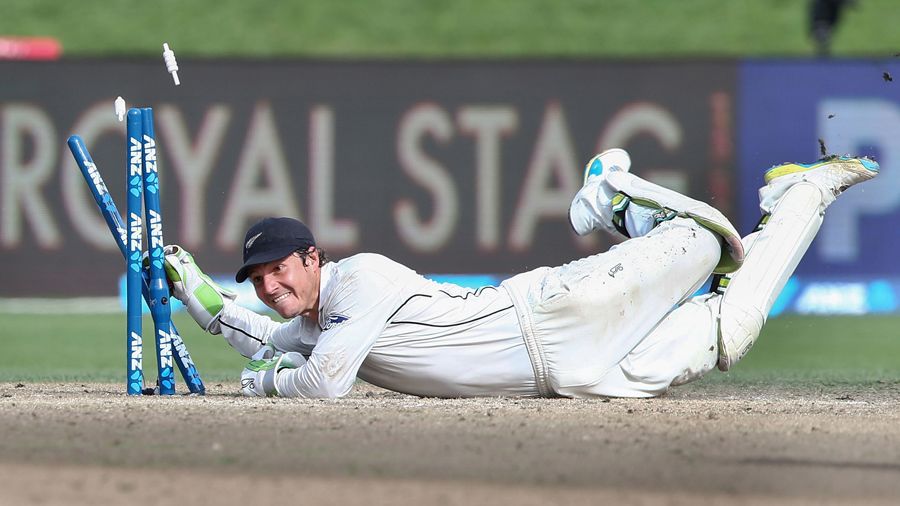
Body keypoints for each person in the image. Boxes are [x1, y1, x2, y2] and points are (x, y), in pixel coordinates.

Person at [162, 149, 878, 398]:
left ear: (313, 257)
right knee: (730, 329)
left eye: (277, 270)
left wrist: (262, 382)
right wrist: (204, 301)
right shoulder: (321, 319)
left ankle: (611, 196)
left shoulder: (359, 283)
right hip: (574, 380)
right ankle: (807, 193)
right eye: (255, 280)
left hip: (557, 312)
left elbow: (320, 383)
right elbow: (273, 338)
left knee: (702, 238)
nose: (268, 287)